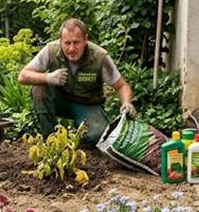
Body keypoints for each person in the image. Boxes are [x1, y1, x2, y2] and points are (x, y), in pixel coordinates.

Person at [17, 18, 135, 147]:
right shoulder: (51, 50)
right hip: (60, 101)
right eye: (67, 43)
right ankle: (50, 140)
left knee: (97, 135)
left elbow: (122, 85)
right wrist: (48, 77)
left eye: (76, 42)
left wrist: (127, 103)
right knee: (39, 89)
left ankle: (76, 140)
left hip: (87, 104)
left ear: (85, 40)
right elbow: (23, 76)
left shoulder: (100, 57)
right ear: (61, 41)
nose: (71, 48)